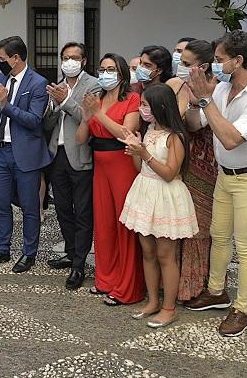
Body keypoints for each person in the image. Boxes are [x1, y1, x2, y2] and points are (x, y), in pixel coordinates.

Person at [185, 30, 247, 337]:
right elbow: (195, 123)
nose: (214, 66)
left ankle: (242, 309)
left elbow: (229, 139)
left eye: (219, 60)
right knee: (219, 235)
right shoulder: (222, 89)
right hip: (226, 176)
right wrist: (194, 102)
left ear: (238, 61)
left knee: (246, 245)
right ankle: (216, 291)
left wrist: (204, 99)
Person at [0, 36, 51, 273]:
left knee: (29, 207)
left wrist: (6, 105)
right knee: (1, 204)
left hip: (25, 154)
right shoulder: (0, 78)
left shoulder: (38, 83)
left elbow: (34, 121)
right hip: (2, 152)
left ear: (16, 58)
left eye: (2, 59)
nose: (0, 63)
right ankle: (2, 249)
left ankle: (29, 253)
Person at [119, 83, 199, 328]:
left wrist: (144, 154)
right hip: (145, 193)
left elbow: (169, 173)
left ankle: (169, 307)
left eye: (145, 105)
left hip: (166, 198)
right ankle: (153, 301)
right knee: (148, 252)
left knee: (166, 255)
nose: (142, 109)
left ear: (160, 107)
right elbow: (138, 168)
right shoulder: (150, 130)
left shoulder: (176, 136)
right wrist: (134, 149)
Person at [75, 53, 144, 306]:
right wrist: (86, 118)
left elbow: (126, 133)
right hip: (99, 167)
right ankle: (105, 279)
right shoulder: (97, 99)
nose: (105, 73)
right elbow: (81, 139)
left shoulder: (132, 99)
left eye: (111, 69)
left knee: (123, 224)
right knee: (103, 225)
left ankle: (128, 287)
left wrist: (99, 115)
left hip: (122, 164)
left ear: (122, 73)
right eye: (102, 68)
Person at [43, 42, 99, 290]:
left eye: (74, 57)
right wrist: (55, 105)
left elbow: (88, 117)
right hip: (58, 154)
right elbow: (47, 124)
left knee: (83, 211)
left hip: (81, 154)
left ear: (84, 60)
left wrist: (65, 100)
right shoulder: (58, 85)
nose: (69, 61)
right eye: (65, 57)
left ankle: (79, 264)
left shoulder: (93, 85)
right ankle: (70, 252)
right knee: (63, 208)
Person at [176, 39, 215, 301]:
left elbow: (195, 125)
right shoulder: (178, 86)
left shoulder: (217, 89)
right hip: (180, 163)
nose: (181, 67)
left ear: (203, 66)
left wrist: (197, 100)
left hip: (207, 166)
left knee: (200, 228)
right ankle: (176, 280)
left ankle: (197, 283)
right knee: (179, 224)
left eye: (186, 64)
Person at [136, 45, 188, 117]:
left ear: (159, 70)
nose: (141, 67)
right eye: (140, 63)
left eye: (147, 65)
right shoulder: (133, 89)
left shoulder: (169, 91)